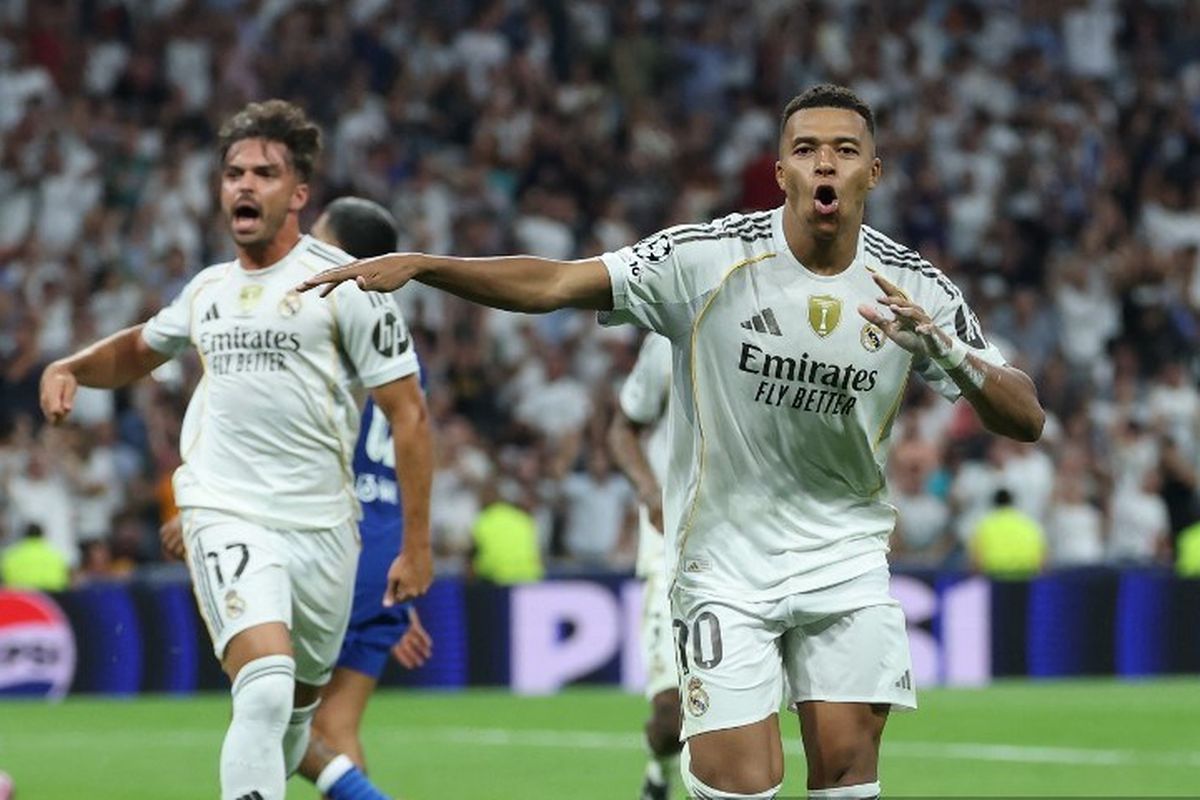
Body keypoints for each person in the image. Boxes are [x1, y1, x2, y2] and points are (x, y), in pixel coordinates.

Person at [298, 84, 1045, 799]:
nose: (825, 163)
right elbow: (556, 283)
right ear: (780, 171)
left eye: (845, 150)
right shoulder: (707, 258)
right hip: (724, 563)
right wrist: (428, 266)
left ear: (872, 172)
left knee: (848, 778)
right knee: (740, 783)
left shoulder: (914, 288)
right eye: (807, 149)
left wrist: (944, 349)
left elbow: (1026, 417)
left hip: (845, 558)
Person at [40, 100, 433, 800]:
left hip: (325, 529)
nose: (244, 185)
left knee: (294, 719)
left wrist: (418, 544)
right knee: (265, 687)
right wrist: (71, 366)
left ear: (299, 193)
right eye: (233, 173)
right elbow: (141, 348)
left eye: (264, 173)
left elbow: (410, 414)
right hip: (227, 509)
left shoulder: (347, 285)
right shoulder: (208, 290)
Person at [158, 195, 435, 792]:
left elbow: (294, 446)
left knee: (265, 701)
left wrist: (210, 510)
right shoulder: (397, 347)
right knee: (333, 725)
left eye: (320, 241)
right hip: (380, 551)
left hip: (319, 534)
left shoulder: (319, 328)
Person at [607, 331, 682, 800]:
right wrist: (650, 493)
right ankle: (659, 768)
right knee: (671, 717)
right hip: (670, 546)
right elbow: (622, 428)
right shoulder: (667, 338)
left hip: (750, 548)